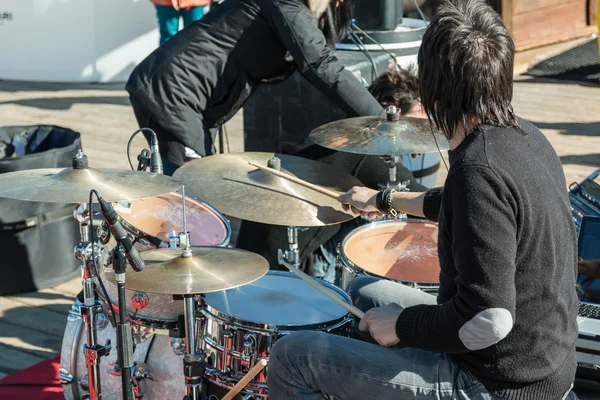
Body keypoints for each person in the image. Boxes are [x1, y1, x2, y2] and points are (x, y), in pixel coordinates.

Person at [267, 1, 579, 399]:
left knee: (292, 356)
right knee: (364, 290)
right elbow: (466, 205)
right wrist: (384, 199)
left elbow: (490, 319)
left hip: (495, 382)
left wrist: (403, 325)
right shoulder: (525, 137)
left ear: (433, 88)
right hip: (543, 359)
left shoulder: (477, 170)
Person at [127, 0, 389, 176]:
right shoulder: (286, 3)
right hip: (172, 94)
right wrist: (382, 120)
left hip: (183, 98)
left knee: (190, 191)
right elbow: (319, 63)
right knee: (191, 197)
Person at [236, 67, 430, 282]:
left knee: (374, 204)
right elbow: (428, 203)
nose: (424, 131)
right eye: (419, 122)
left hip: (252, 251)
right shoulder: (367, 154)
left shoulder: (341, 133)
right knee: (391, 213)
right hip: (285, 264)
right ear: (393, 113)